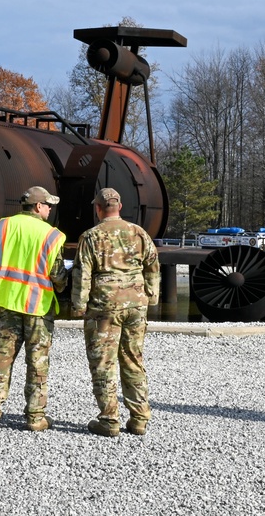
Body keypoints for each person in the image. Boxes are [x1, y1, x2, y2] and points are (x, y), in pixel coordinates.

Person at [0, 185, 67, 432]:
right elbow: (57, 276)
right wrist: (64, 286)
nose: (50, 209)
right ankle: (35, 418)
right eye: (48, 205)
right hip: (38, 306)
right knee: (38, 363)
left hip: (7, 304)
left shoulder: (1, 227)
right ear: (38, 206)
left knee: (1, 360)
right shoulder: (52, 235)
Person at [72, 187, 160, 437]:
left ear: (98, 208)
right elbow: (153, 265)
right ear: (119, 207)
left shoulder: (91, 236)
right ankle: (139, 418)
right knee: (133, 359)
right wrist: (151, 297)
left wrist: (79, 304)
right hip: (135, 303)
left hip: (104, 306)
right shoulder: (139, 232)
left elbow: (83, 272)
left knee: (103, 362)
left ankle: (109, 420)